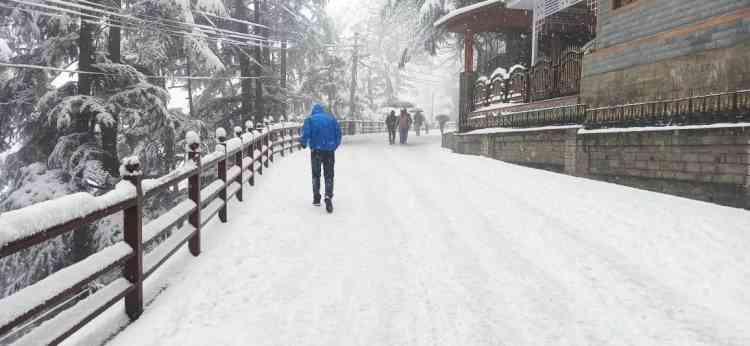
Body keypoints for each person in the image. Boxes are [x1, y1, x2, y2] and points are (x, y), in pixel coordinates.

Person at [299, 103, 342, 213]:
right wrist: (334, 145)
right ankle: (328, 195)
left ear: (313, 111)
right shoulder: (331, 119)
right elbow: (338, 133)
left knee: (316, 174)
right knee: (329, 174)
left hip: (316, 151)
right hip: (329, 151)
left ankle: (316, 197)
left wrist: (303, 143)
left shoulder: (310, 120)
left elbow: (306, 133)